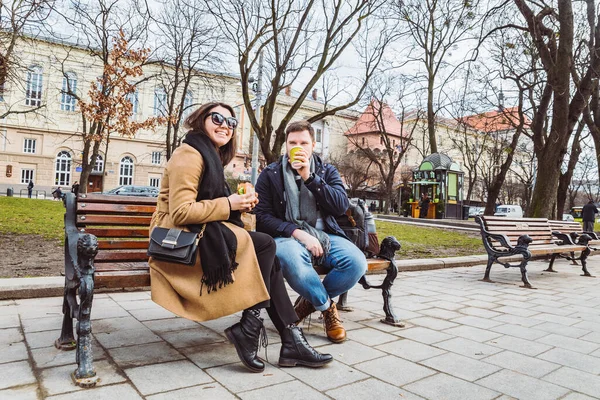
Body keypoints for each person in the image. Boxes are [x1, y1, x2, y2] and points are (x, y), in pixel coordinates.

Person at [148, 103, 331, 372]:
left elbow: (210, 206)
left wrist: (241, 204)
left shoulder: (209, 154)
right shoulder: (189, 154)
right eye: (217, 118)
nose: (225, 125)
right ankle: (264, 331)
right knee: (265, 246)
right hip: (178, 242)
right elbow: (181, 212)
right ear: (201, 121)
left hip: (202, 234)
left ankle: (279, 336)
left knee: (267, 255)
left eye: (231, 122)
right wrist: (230, 203)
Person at [255, 120, 367, 344]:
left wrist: (310, 177)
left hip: (326, 236)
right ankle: (327, 309)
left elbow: (339, 205)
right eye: (292, 142)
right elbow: (262, 216)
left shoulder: (326, 170)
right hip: (288, 237)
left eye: (304, 142)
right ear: (286, 145)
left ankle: (308, 301)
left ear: (313, 145)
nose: (298, 147)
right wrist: (297, 232)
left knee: (356, 263)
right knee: (291, 259)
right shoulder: (270, 174)